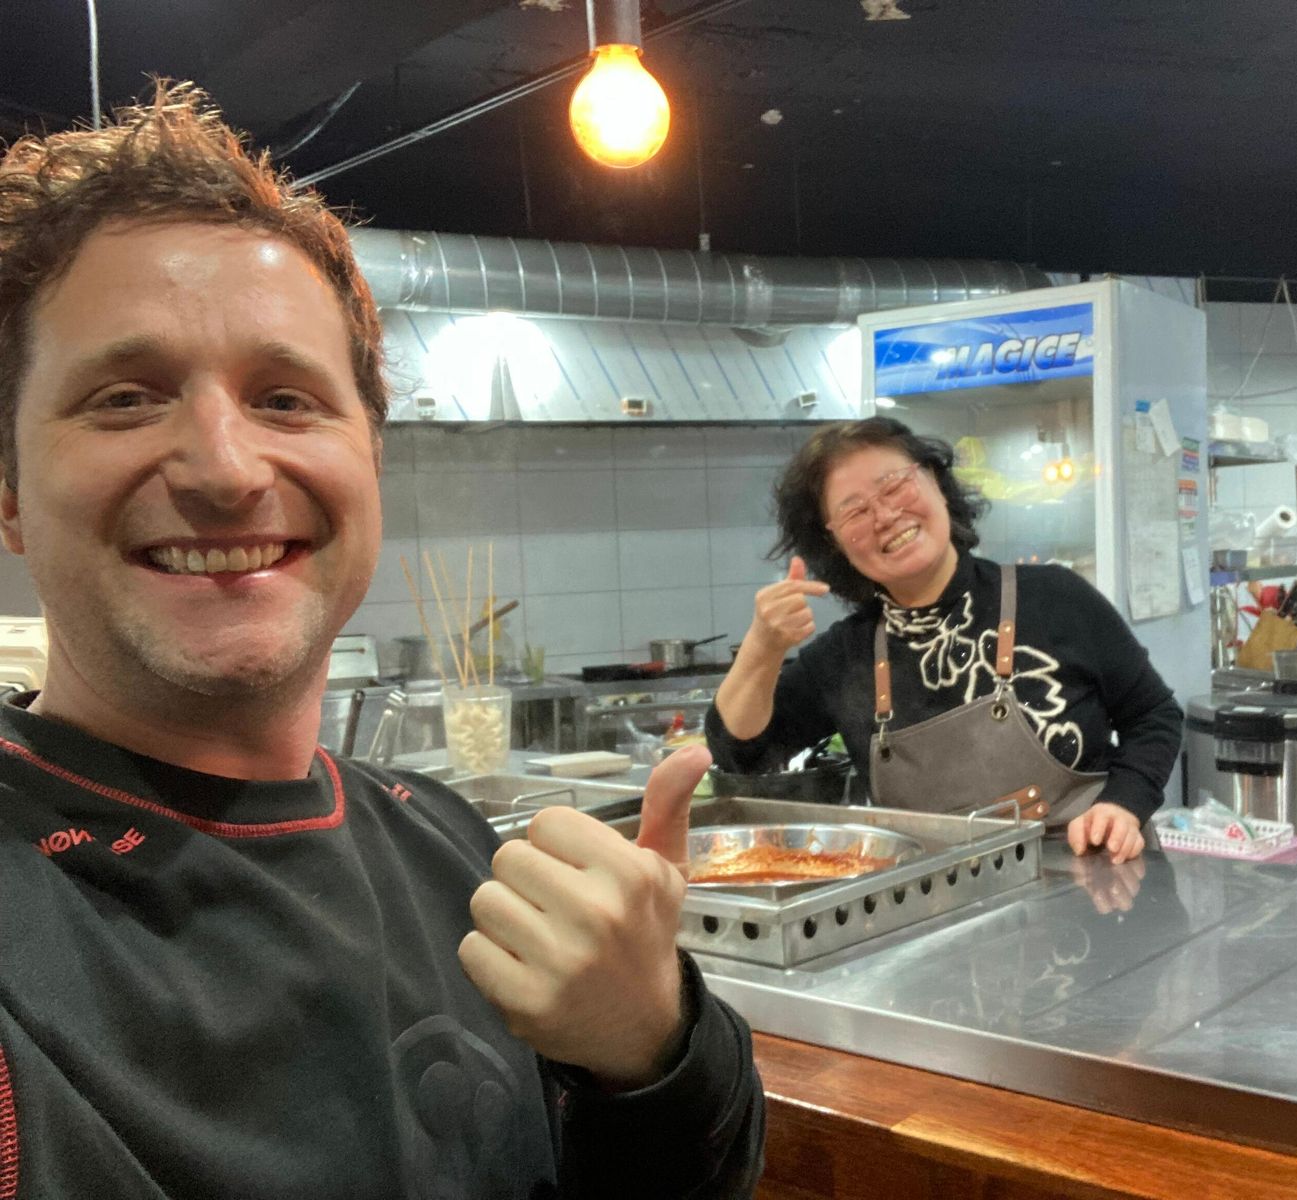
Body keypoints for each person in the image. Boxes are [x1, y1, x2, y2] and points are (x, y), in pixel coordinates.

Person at [0, 83, 762, 1198]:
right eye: (124, 398)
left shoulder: (451, 847)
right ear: (10, 493)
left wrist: (655, 1050)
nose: (226, 469)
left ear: (370, 461)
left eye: (285, 399)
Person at [707, 417, 1183, 863]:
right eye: (855, 511)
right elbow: (740, 752)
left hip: (1091, 880)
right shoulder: (843, 658)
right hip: (938, 904)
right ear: (833, 543)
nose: (885, 515)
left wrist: (1125, 803)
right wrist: (762, 648)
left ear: (935, 480)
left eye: (894, 485)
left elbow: (1153, 714)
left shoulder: (1055, 597)